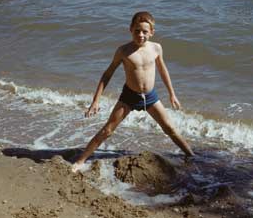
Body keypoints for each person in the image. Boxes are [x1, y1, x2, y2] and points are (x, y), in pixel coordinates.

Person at [72, 11, 194, 172]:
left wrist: (172, 93)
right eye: (137, 31)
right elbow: (107, 74)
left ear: (152, 32)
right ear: (130, 29)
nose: (141, 35)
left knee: (170, 129)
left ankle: (191, 156)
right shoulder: (123, 51)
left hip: (150, 96)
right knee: (107, 130)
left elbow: (163, 70)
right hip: (129, 96)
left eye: (145, 31)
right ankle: (80, 161)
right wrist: (95, 101)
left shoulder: (156, 48)